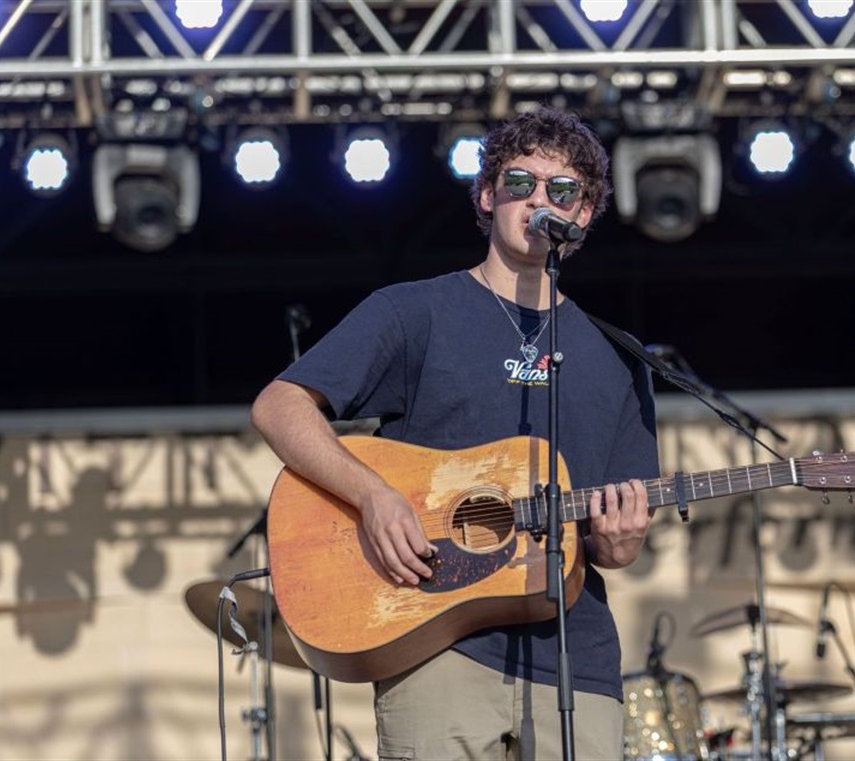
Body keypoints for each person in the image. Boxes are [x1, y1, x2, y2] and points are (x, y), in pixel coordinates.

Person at [251, 106, 659, 760]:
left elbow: (614, 546)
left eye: (562, 191)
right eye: (520, 182)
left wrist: (624, 539)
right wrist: (372, 496)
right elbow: (280, 404)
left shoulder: (619, 358)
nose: (538, 201)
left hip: (574, 659)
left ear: (583, 215)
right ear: (487, 194)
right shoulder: (415, 312)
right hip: (433, 644)